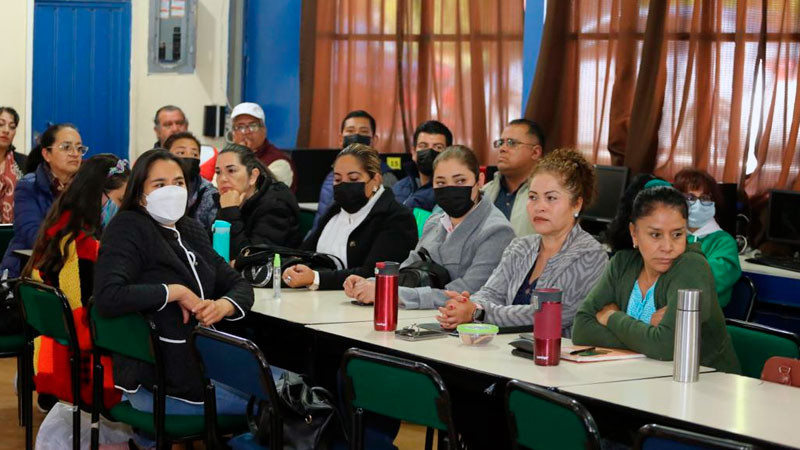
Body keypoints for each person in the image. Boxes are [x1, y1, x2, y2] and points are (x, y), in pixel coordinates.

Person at [93, 149, 254, 418]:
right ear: (139, 194)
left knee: (291, 387)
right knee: (275, 400)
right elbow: (108, 296)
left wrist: (223, 306)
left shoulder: (190, 229)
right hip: (159, 382)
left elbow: (239, 284)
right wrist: (175, 292)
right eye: (159, 184)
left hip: (201, 364)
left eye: (178, 183)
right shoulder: (128, 227)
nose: (172, 191)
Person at [434, 149, 607, 333]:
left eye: (551, 198)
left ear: (576, 204)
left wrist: (479, 313)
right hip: (505, 350)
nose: (539, 207)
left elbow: (553, 314)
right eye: (533, 197)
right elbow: (491, 293)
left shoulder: (591, 254)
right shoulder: (520, 246)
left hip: (557, 355)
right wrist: (465, 306)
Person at [571, 186, 741, 373]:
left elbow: (664, 347)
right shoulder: (621, 263)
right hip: (638, 379)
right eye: (655, 235)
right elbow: (581, 329)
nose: (668, 247)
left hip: (707, 387)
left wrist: (612, 318)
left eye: (677, 234)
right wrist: (647, 337)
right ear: (634, 233)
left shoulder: (692, 266)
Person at [343, 145, 514, 309]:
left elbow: (465, 293)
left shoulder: (497, 231)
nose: (450, 189)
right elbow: (407, 270)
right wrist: (371, 283)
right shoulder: (434, 223)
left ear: (480, 180)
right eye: (441, 182)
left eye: (460, 180)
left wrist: (388, 293)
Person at [22, 154, 129, 412]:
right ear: (98, 197)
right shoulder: (84, 247)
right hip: (82, 365)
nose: (124, 210)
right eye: (120, 201)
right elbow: (90, 316)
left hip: (52, 352)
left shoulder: (60, 228)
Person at [283, 143, 417, 290]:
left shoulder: (397, 217)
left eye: (353, 179)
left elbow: (373, 274)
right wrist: (293, 268)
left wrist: (316, 278)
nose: (344, 185)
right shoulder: (334, 210)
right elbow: (305, 253)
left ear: (376, 180)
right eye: (338, 179)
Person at [1, 123, 84, 278]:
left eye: (79, 148)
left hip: (74, 267)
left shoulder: (85, 188)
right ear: (46, 154)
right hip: (28, 269)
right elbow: (34, 236)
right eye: (66, 147)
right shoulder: (28, 186)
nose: (75, 153)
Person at [310, 110, 400, 234]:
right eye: (350, 131)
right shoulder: (332, 176)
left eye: (363, 132)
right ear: (341, 139)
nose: (356, 136)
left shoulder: (385, 177)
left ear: (374, 140)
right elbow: (319, 222)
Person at [215, 143, 302, 259]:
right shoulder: (227, 199)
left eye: (231, 171)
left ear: (253, 176)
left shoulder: (276, 205)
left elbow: (250, 258)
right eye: (218, 172)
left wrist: (230, 212)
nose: (222, 179)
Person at [673, 168, 742, 308]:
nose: (698, 204)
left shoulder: (724, 243)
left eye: (704, 198)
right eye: (690, 198)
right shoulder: (670, 236)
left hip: (704, 320)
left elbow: (704, 282)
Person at [482, 119, 545, 237]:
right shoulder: (485, 192)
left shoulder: (549, 196)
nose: (502, 149)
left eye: (511, 143)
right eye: (501, 143)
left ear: (535, 152)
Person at [230, 102, 297, 192]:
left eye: (253, 126)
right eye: (240, 127)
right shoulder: (227, 159)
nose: (246, 132)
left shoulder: (279, 162)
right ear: (233, 134)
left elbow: (259, 194)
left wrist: (245, 155)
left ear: (264, 130)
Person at [391, 120, 453, 211]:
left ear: (449, 153)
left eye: (438, 147)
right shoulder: (398, 188)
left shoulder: (452, 191)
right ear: (413, 152)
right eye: (423, 146)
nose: (429, 152)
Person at [164, 131, 218, 230]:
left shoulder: (209, 193)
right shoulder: (157, 188)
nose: (189, 157)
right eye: (181, 153)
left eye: (194, 154)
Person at [0, 107, 27, 223]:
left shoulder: (23, 162)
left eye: (12, 127)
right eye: (0, 124)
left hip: (16, 232)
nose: (6, 130)